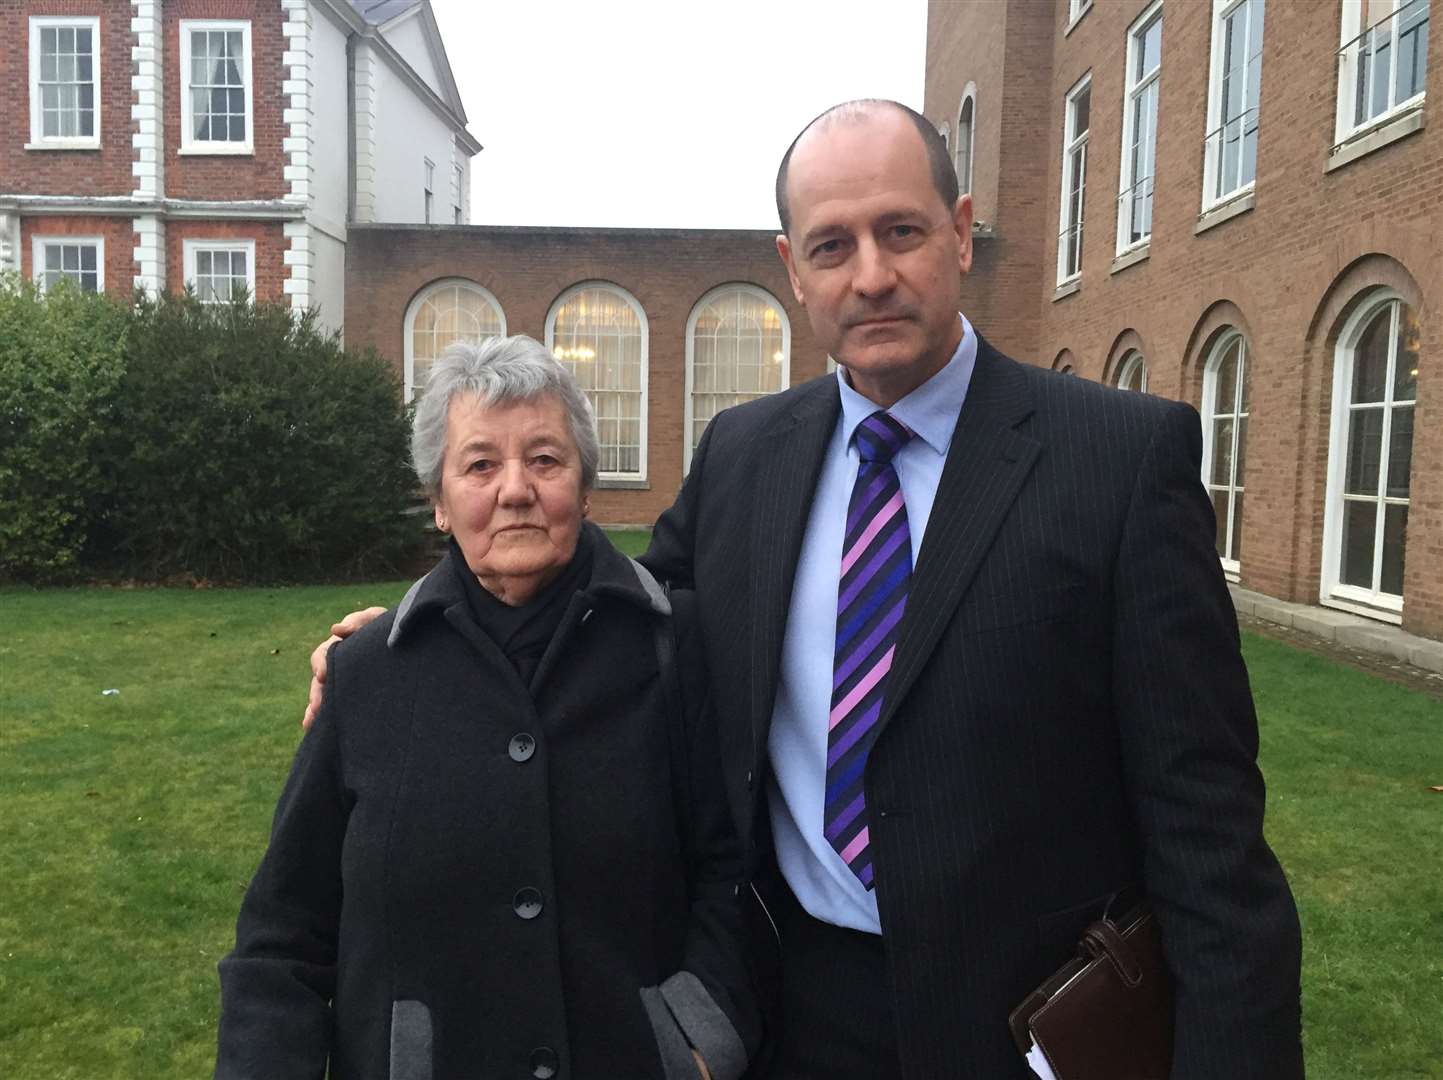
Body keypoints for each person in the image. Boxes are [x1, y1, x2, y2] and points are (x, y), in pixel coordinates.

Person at [308, 101, 1304, 1078]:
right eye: (832, 246)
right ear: (792, 269)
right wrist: (423, 640)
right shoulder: (745, 454)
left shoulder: (1117, 461)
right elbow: (611, 613)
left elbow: (1209, 841)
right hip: (795, 1006)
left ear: (959, 236)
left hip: (1029, 1020)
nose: (870, 276)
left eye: (901, 231)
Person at [219, 337, 761, 1080]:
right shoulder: (368, 674)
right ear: (439, 503)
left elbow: (735, 863)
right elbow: (285, 932)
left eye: (545, 459)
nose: (515, 489)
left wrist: (702, 1033)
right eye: (479, 465)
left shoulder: (676, 648)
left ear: (584, 484)